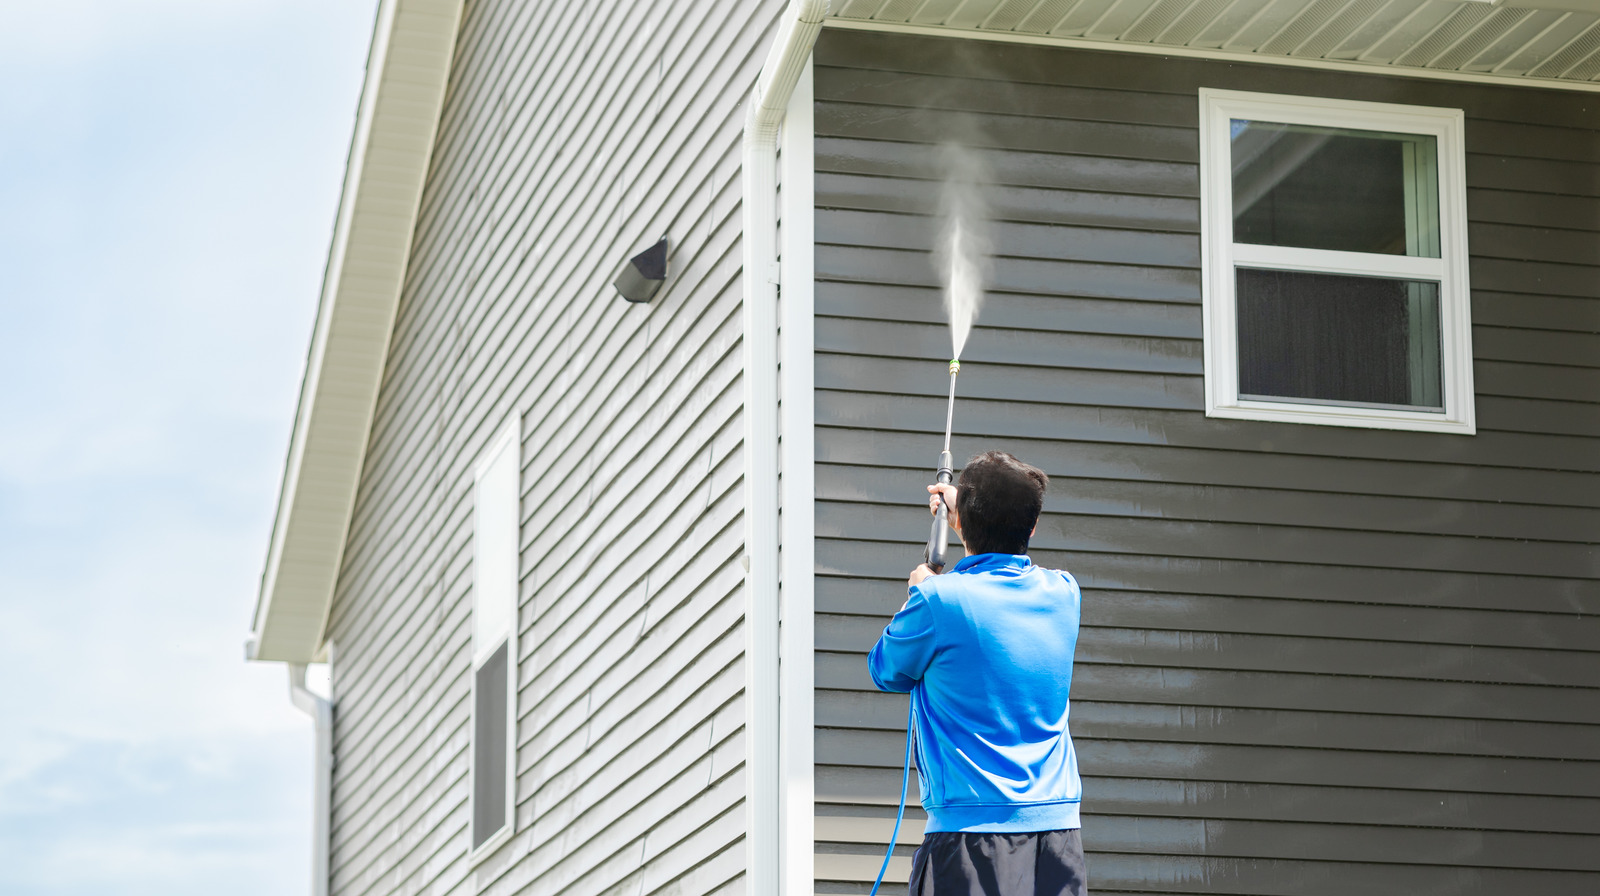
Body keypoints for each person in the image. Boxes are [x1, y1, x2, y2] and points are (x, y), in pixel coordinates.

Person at [868, 450, 1087, 896]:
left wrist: (918, 594)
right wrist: (967, 516)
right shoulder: (1064, 593)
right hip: (1058, 835)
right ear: (1033, 526)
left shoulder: (937, 602)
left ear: (963, 519)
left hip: (969, 836)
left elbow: (886, 669)